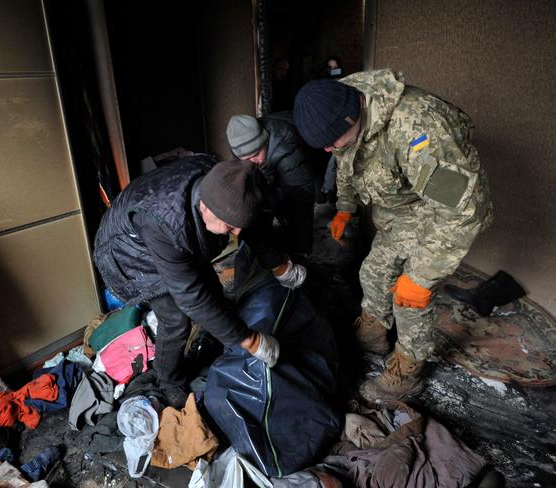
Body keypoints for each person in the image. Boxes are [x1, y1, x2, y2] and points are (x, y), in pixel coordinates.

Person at [293, 70, 493, 400]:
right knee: (372, 273)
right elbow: (347, 163)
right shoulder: (343, 109)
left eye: (333, 141)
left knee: (410, 297)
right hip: (399, 214)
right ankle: (373, 336)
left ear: (351, 115)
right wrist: (346, 207)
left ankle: (407, 371)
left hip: (439, 215)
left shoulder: (418, 127)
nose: (330, 150)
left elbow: (463, 211)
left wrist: (424, 274)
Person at [93, 156, 306, 408]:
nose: (236, 233)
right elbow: (190, 296)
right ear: (204, 207)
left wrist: (280, 266)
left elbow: (250, 224)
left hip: (172, 232)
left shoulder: (225, 182)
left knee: (212, 289)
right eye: (229, 226)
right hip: (129, 250)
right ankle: (169, 380)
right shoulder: (163, 223)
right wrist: (251, 340)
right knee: (176, 318)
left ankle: (213, 335)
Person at [226, 113, 315, 257]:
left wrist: (301, 245)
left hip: (298, 173)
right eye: (246, 159)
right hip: (272, 166)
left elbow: (303, 196)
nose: (252, 162)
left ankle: (302, 253)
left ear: (265, 142)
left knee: (297, 208)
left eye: (255, 154)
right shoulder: (239, 144)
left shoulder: (288, 153)